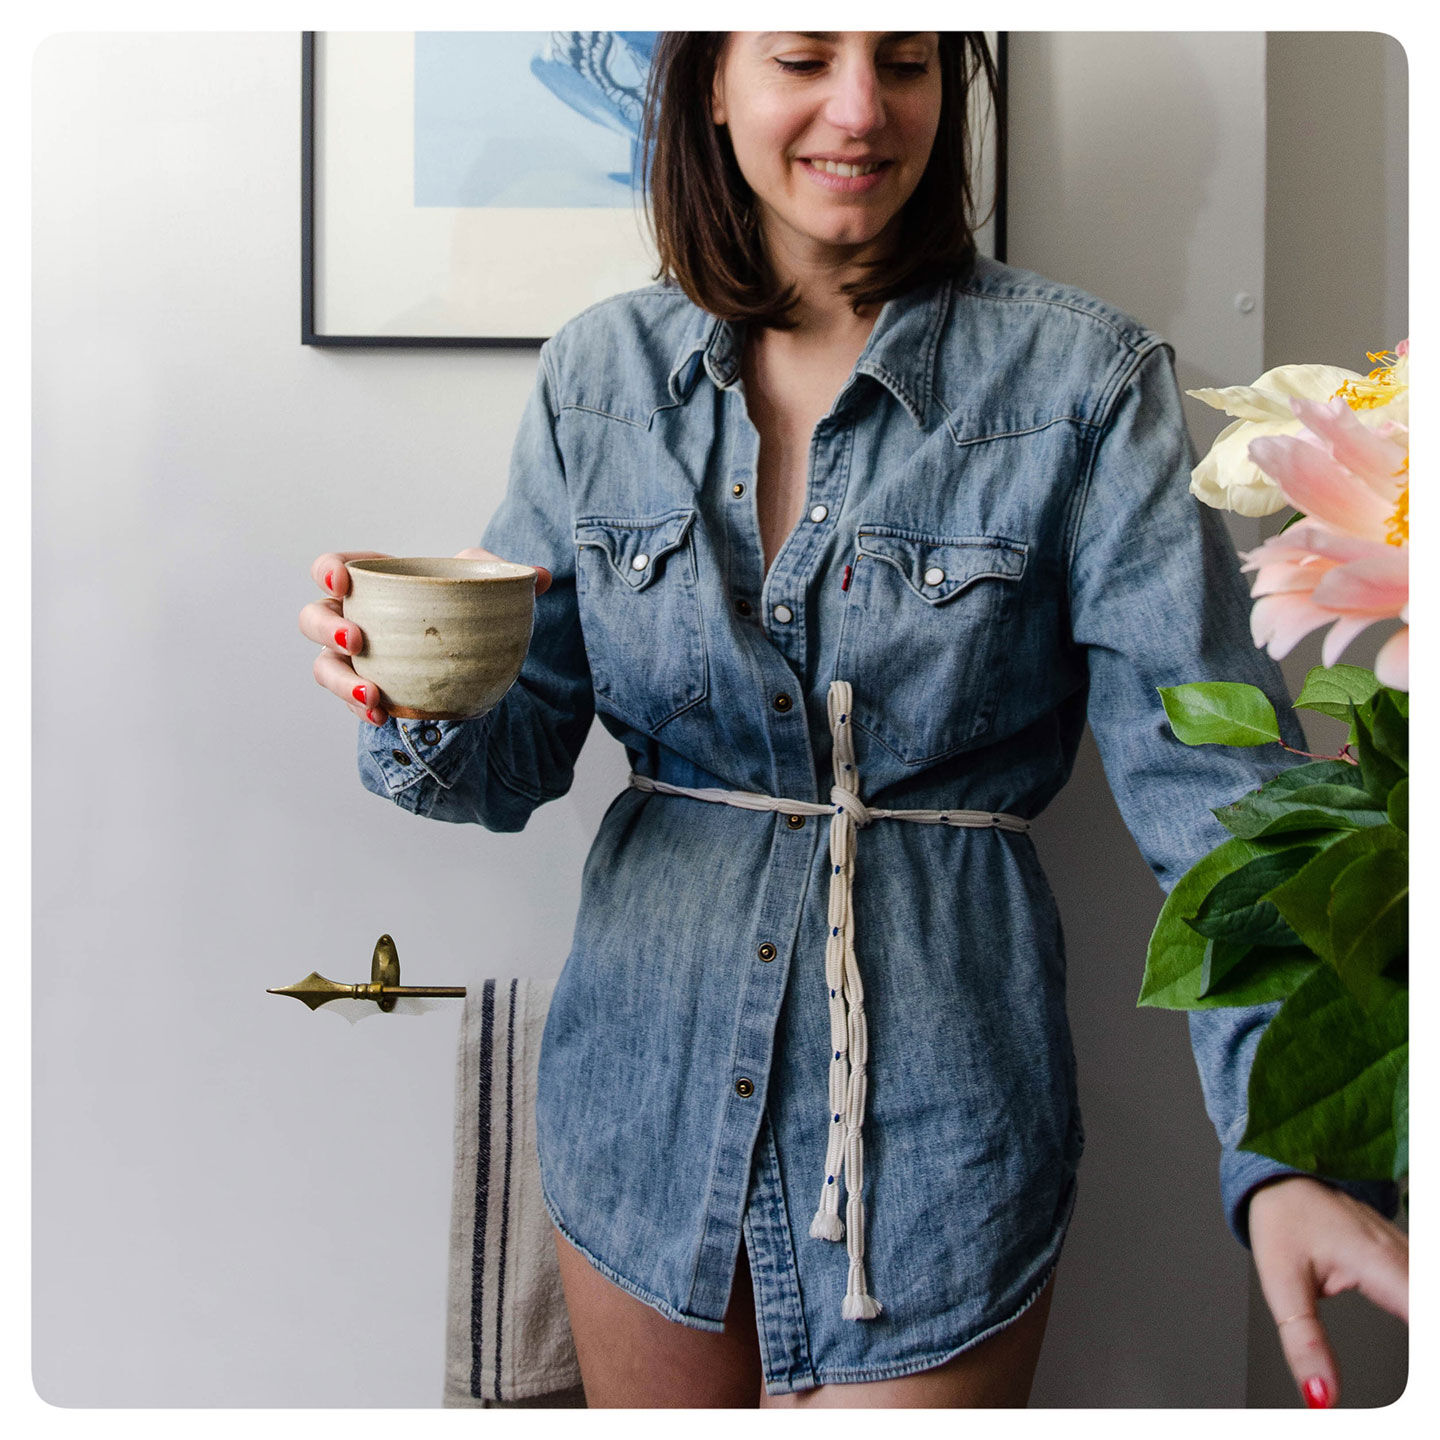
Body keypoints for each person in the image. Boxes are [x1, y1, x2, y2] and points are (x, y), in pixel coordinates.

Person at [299, 32, 1407, 1408]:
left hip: (938, 1129)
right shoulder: (598, 377)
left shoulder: (1084, 381)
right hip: (640, 1099)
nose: (862, 108)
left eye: (908, 62)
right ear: (714, 82)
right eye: (805, 57)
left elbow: (1222, 800)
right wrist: (410, 690)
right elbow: (516, 761)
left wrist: (1294, 1150)